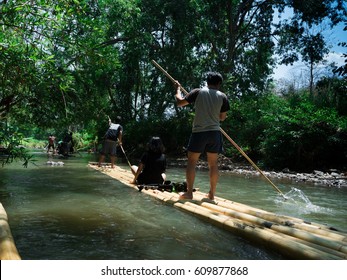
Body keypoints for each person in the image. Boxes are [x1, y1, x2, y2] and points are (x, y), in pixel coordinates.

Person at [174, 72, 230, 200]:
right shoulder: (223, 96)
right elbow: (222, 118)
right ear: (219, 83)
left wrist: (177, 89)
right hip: (215, 133)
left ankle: (189, 193)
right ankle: (212, 194)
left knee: (192, 163)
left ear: (207, 82)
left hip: (199, 132)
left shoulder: (198, 92)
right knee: (213, 164)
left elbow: (180, 102)